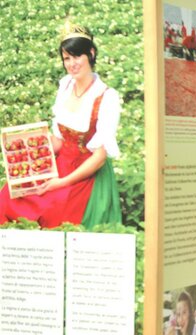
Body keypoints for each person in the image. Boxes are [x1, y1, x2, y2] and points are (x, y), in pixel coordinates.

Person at [0, 22, 122, 229]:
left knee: (53, 208)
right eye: (67, 58)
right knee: (10, 194)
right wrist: (27, 154)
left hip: (85, 171)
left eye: (77, 56)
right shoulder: (65, 86)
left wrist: (61, 182)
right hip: (61, 162)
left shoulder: (106, 97)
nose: (72, 63)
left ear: (90, 54)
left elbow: (99, 158)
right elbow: (59, 140)